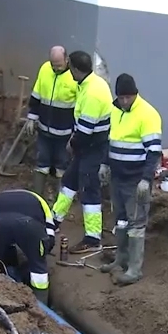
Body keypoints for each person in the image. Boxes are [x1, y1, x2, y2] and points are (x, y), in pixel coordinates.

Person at [98, 74, 162, 286]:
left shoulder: (148, 114)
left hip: (136, 180)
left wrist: (146, 179)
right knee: (121, 220)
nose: (125, 101)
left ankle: (134, 269)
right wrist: (105, 164)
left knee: (136, 224)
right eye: (122, 98)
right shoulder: (115, 110)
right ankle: (121, 259)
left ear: (135, 94)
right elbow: (111, 140)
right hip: (118, 177)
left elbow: (153, 152)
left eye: (129, 97)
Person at [51, 50, 114, 254]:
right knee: (69, 181)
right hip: (89, 146)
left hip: (92, 147)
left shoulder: (92, 93)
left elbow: (86, 130)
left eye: (70, 68)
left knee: (89, 191)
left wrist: (72, 145)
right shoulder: (91, 84)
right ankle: (54, 220)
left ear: (76, 70)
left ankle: (93, 237)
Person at [0, 189, 57, 303]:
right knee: (38, 266)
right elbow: (49, 235)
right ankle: (41, 305)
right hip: (27, 223)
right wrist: (39, 253)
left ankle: (7, 296)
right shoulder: (40, 201)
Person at [25, 46, 79, 196]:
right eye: (53, 65)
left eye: (59, 65)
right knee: (41, 163)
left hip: (64, 133)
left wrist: (75, 132)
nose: (55, 69)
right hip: (44, 129)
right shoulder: (45, 69)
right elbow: (37, 94)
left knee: (62, 166)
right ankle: (38, 197)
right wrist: (32, 117)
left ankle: (59, 200)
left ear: (66, 60)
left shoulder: (74, 77)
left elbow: (79, 108)